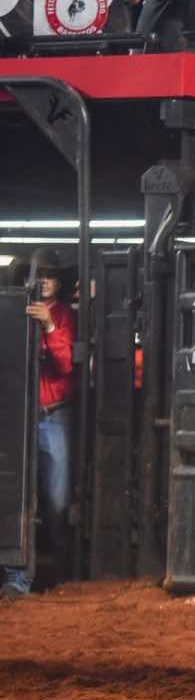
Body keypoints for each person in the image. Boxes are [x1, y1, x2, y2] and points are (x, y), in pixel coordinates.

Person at [1, 249, 75, 599]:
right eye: (40, 274)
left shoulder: (65, 316)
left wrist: (48, 325)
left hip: (52, 415)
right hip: (19, 416)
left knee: (56, 500)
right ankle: (18, 577)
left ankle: (60, 574)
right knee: (16, 497)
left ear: (58, 283)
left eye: (49, 275)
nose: (43, 280)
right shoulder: (15, 310)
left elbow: (65, 366)